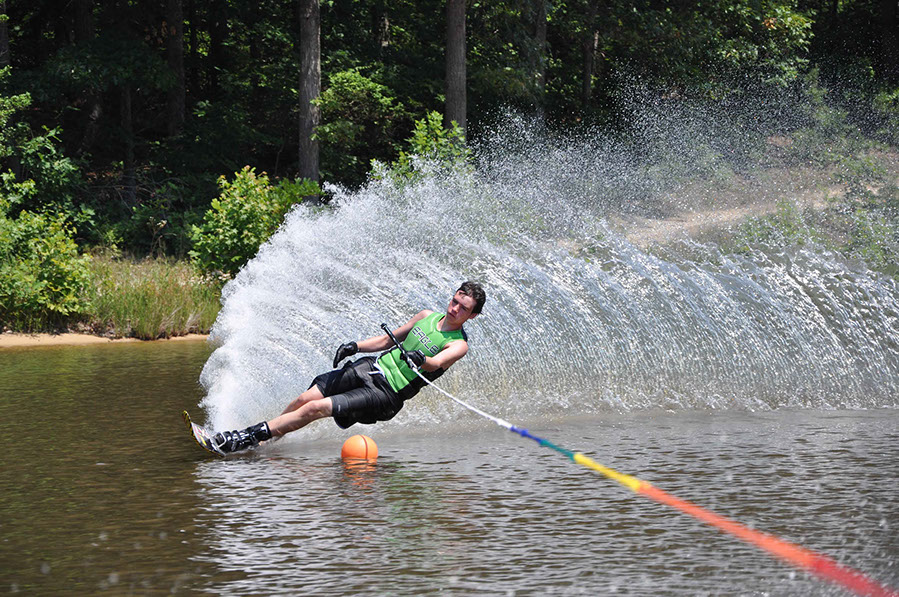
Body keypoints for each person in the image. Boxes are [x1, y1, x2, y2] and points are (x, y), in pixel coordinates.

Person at [207, 281, 486, 454]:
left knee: (314, 409)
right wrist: (355, 346)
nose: (453, 309)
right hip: (369, 368)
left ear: (472, 316)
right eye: (454, 301)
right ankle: (268, 440)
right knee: (305, 398)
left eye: (462, 308)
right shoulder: (427, 316)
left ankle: (241, 439)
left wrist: (420, 359)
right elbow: (388, 339)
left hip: (385, 394)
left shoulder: (458, 344)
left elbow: (436, 362)